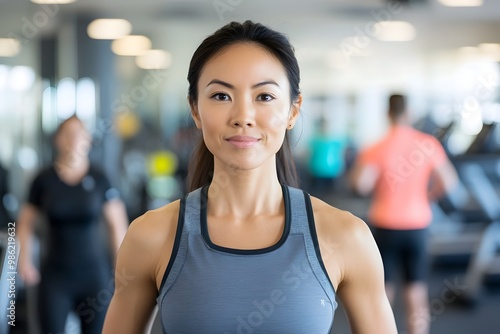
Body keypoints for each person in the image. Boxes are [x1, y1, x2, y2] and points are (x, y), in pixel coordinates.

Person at [103, 21, 397, 334]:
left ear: (293, 111)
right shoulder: (150, 236)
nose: (243, 116)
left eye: (265, 97)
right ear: (195, 110)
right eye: (220, 96)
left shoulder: (347, 236)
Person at [349, 94, 458, 334]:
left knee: (382, 293)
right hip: (417, 225)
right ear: (408, 113)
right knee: (416, 292)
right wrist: (427, 196)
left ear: (387, 113)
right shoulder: (427, 144)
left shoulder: (376, 146)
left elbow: (361, 185)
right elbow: (449, 182)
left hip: (385, 224)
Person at [17, 116, 129, 334]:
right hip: (55, 276)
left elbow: (118, 226)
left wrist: (123, 267)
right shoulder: (43, 180)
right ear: (58, 139)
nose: (74, 139)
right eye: (67, 134)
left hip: (94, 275)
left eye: (79, 133)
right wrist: (25, 262)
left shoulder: (99, 178)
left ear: (87, 139)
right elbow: (24, 225)